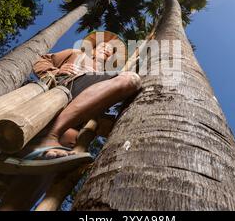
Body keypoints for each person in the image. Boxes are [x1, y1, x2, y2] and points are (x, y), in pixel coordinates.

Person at [16, 31, 141, 161]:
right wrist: (56, 71)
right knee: (129, 79)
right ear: (92, 49)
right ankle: (50, 134)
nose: (107, 50)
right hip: (66, 86)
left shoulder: (106, 75)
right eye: (103, 46)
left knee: (69, 140)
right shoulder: (75, 53)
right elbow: (42, 61)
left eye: (111, 51)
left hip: (78, 116)